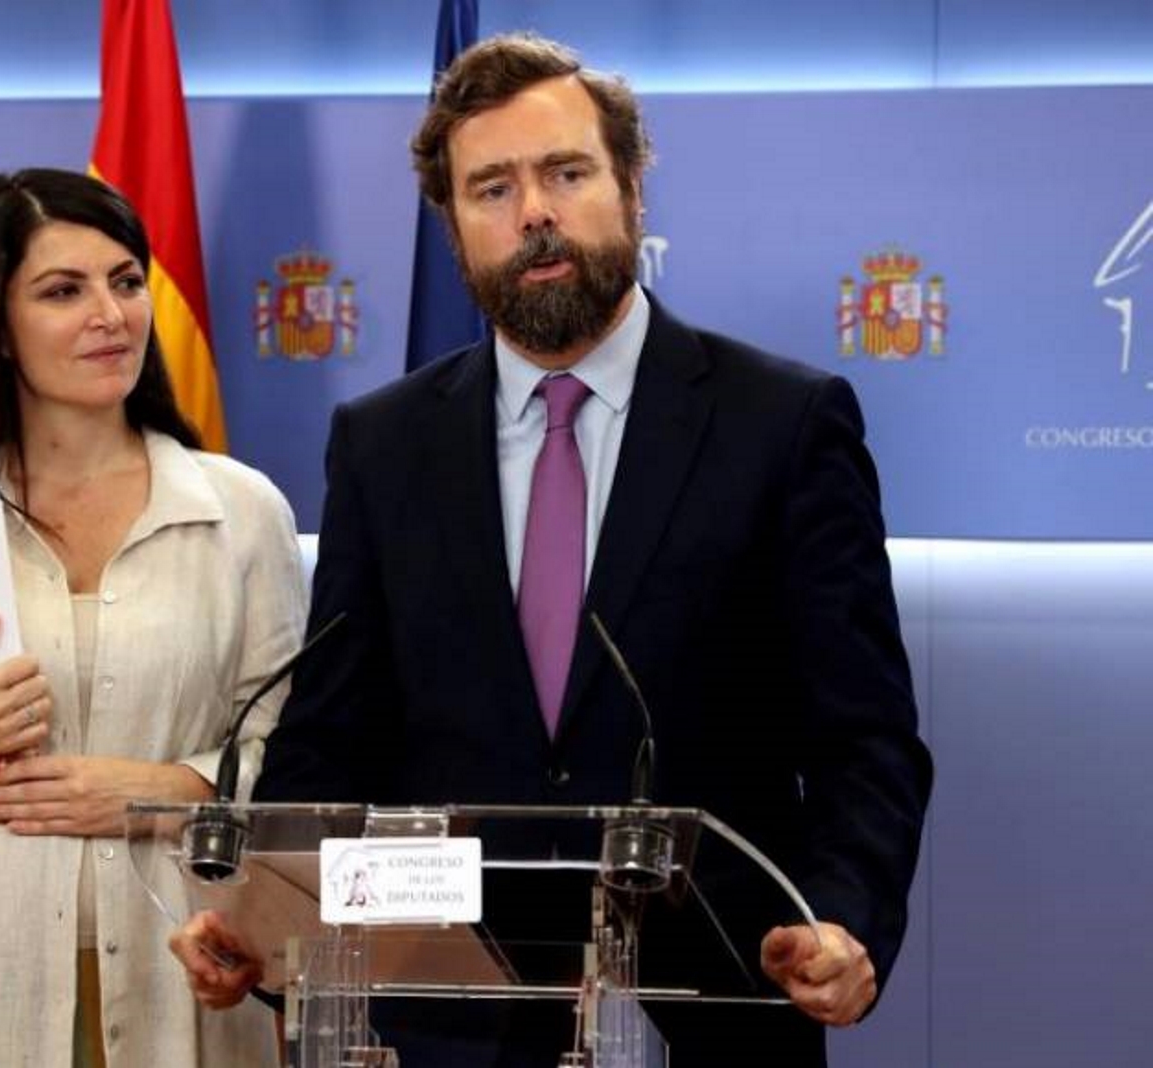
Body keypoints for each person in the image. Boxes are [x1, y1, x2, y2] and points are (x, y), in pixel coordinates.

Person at [170, 33, 932, 1068]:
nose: (532, 212)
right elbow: (331, 737)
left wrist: (843, 919)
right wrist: (258, 920)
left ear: (628, 188)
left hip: (711, 1008)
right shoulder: (384, 443)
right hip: (446, 1023)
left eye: (565, 173)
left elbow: (863, 738)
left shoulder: (782, 424)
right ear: (453, 228)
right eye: (490, 189)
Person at [0, 168, 306, 1067]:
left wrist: (162, 792)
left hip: (184, 992)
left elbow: (295, 763)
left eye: (123, 280)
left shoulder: (242, 510)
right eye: (62, 291)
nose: (109, 315)